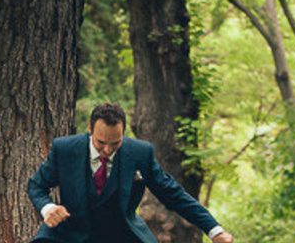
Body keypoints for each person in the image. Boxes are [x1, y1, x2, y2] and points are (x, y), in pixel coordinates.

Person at [27, 103, 234, 243]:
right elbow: (36, 185)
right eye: (101, 143)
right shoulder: (65, 149)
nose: (107, 150)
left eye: (115, 143)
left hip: (121, 235)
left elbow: (173, 194)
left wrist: (214, 230)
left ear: (123, 132)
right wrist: (47, 208)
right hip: (68, 235)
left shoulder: (139, 152)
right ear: (90, 129)